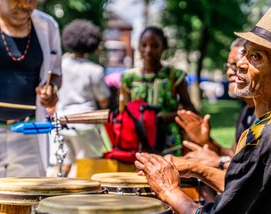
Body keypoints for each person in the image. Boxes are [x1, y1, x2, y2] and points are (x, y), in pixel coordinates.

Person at [135, 5, 271, 214]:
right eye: (245, 52)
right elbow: (250, 190)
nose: (241, 64)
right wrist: (196, 168)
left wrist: (168, 190)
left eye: (256, 57)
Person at [0, 0, 61, 177]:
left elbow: (56, 73)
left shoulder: (47, 26)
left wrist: (51, 89)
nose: (25, 4)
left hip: (28, 132)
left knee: (26, 201)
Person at [176, 38, 255, 170]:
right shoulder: (246, 112)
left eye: (236, 66)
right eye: (229, 66)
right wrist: (205, 141)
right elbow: (234, 156)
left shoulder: (268, 116)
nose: (229, 72)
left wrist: (220, 162)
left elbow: (250, 173)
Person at [48, 19, 111, 177]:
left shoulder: (60, 64)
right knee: (88, 171)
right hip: (86, 125)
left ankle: (54, 198)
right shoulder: (94, 70)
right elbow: (103, 100)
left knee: (61, 166)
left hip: (60, 122)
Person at [120, 26, 196, 156]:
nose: (148, 50)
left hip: (168, 141)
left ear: (163, 47)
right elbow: (124, 112)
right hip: (139, 141)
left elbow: (189, 108)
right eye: (144, 45)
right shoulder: (129, 78)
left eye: (154, 46)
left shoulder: (174, 76)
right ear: (138, 47)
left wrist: (163, 118)